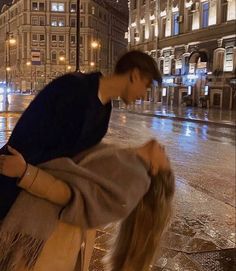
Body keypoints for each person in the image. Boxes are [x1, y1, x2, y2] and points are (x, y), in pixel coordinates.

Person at [0, 50, 162, 219]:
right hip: (9, 175)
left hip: (29, 190)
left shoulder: (103, 115)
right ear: (135, 75)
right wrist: (19, 168)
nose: (144, 94)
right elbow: (31, 127)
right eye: (146, 85)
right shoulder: (73, 86)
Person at [0, 139, 174, 271]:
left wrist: (25, 173)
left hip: (51, 240)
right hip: (54, 232)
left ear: (155, 170)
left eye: (165, 159)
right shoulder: (129, 163)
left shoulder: (134, 178)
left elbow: (71, 196)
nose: (165, 149)